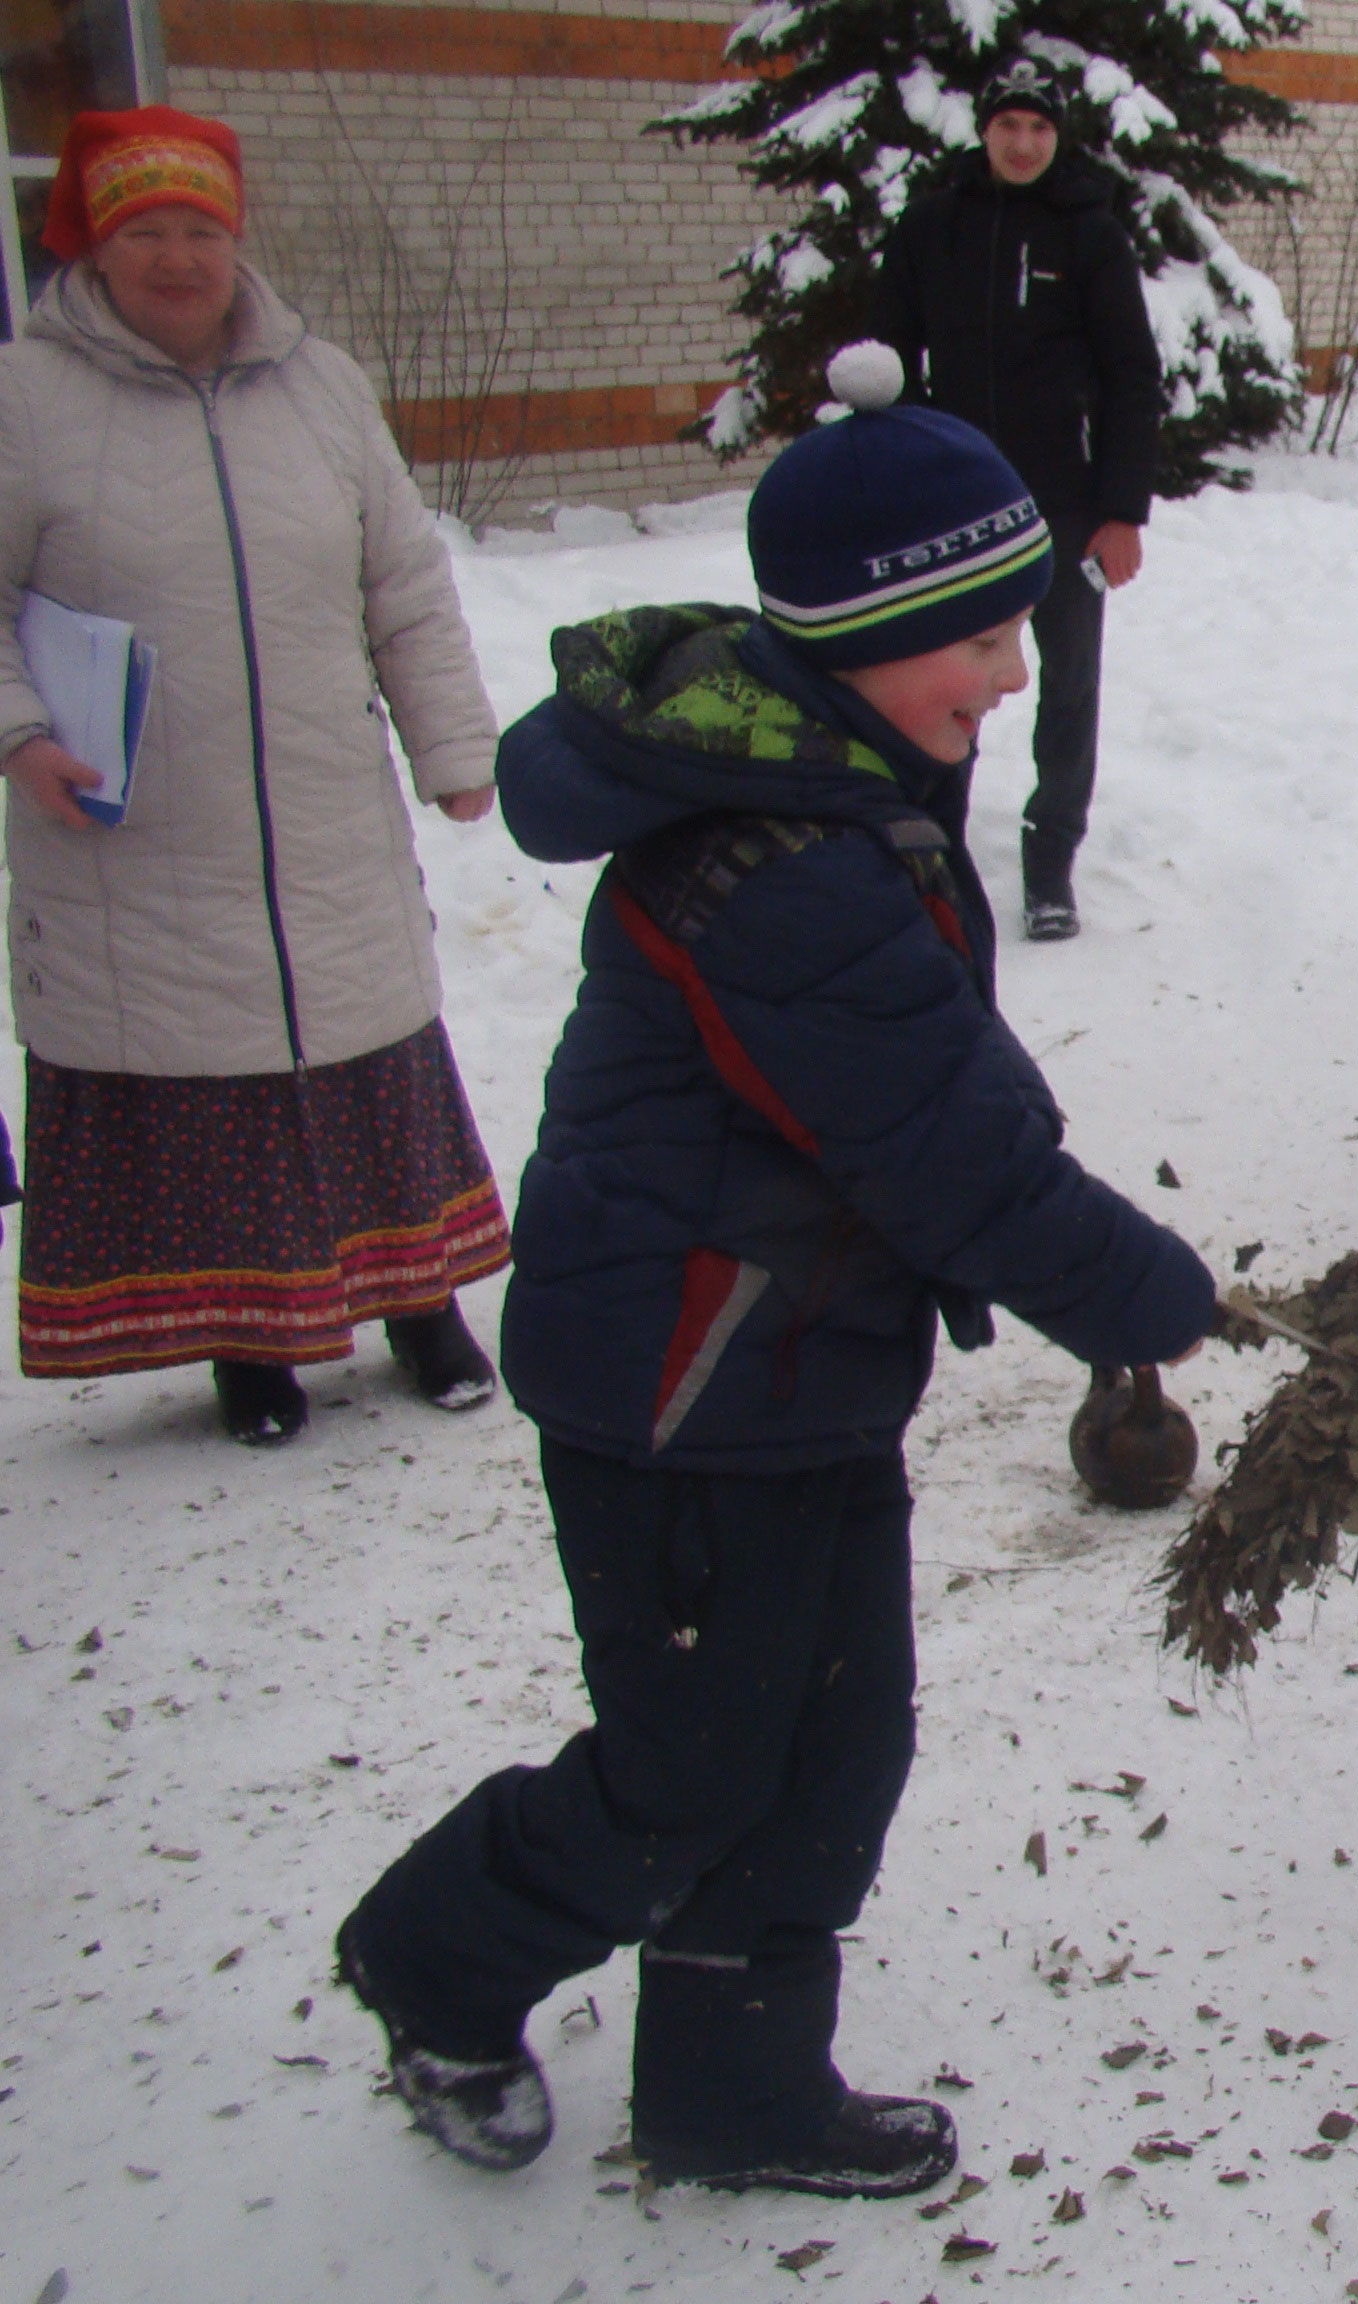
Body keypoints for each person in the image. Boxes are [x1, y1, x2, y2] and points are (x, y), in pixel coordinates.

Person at [335, 345, 1221, 2197]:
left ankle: (736, 2086)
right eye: (973, 637)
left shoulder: (829, 764)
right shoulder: (787, 852)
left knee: (831, 1744)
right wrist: (1143, 1292)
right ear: (857, 632)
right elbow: (948, 1150)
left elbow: (922, 1102)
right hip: (682, 1383)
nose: (1010, 669)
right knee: (687, 1766)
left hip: (790, 1359)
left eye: (1015, 629)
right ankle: (434, 1962)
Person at [0, 105, 509, 1448]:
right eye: (147, 231)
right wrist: (19, 735)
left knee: (367, 1050)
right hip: (135, 822)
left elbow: (401, 580)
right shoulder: (25, 399)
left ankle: (422, 1309)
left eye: (201, 229)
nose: (179, 256)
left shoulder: (322, 383)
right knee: (201, 1080)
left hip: (323, 802)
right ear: (97, 249)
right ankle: (247, 1342)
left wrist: (454, 746)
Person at [869, 54, 1162, 942]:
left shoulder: (1090, 233)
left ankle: (1049, 865)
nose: (1024, 143)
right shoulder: (931, 227)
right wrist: (909, 471)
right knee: (943, 684)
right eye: (1009, 126)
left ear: (1056, 135)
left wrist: (1122, 511)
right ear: (984, 130)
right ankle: (940, 854)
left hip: (1065, 507)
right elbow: (885, 361)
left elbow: (1130, 375)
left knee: (1067, 687)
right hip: (957, 510)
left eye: (1039, 127)